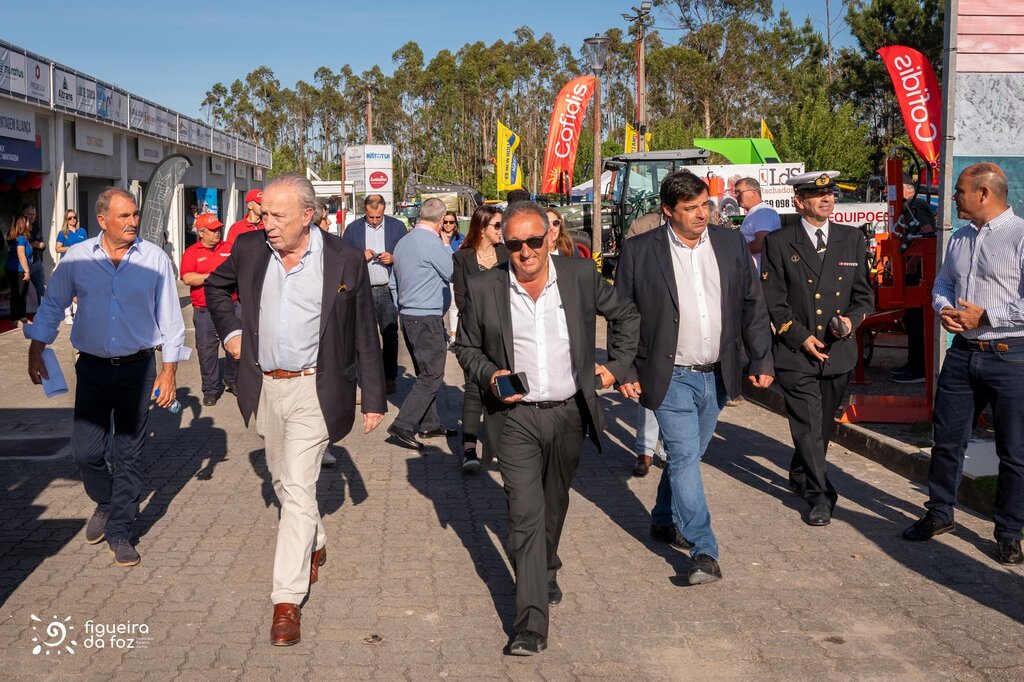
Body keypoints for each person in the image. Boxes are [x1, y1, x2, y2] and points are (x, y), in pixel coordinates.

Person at [204, 173, 386, 645]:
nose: (266, 224)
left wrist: (374, 395)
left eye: (277, 216)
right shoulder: (247, 249)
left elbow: (364, 326)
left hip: (315, 390)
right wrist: (232, 334)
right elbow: (215, 289)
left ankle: (286, 599)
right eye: (264, 214)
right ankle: (316, 541)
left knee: (300, 487)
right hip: (265, 386)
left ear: (309, 216)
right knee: (284, 483)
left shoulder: (343, 258)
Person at [453, 201, 639, 655]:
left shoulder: (578, 278)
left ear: (550, 238)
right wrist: (490, 375)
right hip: (513, 419)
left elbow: (627, 316)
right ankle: (530, 623)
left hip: (569, 413)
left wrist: (614, 369)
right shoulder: (483, 288)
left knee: (554, 503)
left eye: (533, 241)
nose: (524, 252)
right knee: (525, 511)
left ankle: (546, 565)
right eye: (513, 243)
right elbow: (465, 348)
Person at [615, 170, 774, 584]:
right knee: (684, 456)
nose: (702, 214)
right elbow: (622, 318)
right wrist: (625, 370)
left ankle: (664, 518)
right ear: (668, 212)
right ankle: (704, 550)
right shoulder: (639, 252)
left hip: (718, 373)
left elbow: (752, 305)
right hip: (668, 375)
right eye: (691, 209)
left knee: (690, 456)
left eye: (705, 205)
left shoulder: (729, 242)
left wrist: (762, 359)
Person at [25, 187, 189, 567]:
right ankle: (106, 498)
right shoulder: (79, 259)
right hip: (93, 369)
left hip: (138, 369)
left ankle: (120, 530)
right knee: (86, 451)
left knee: (129, 453)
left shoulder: (154, 259)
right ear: (102, 221)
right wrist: (36, 347)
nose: (133, 222)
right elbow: (52, 305)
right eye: (125, 216)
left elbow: (170, 318)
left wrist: (169, 370)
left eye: (135, 215)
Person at [903, 163, 1024, 565]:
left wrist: (985, 317)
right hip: (962, 354)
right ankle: (939, 513)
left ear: (985, 194)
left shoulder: (1021, 236)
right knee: (947, 441)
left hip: (1010, 357)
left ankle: (1008, 532)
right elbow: (943, 284)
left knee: (1014, 451)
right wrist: (946, 308)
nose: (953, 198)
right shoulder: (960, 238)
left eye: (959, 191)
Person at [760, 171, 874, 526]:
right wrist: (800, 336)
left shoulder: (851, 239)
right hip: (797, 351)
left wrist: (852, 321)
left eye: (830, 194)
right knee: (808, 425)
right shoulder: (780, 242)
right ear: (799, 201)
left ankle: (801, 470)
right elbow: (774, 301)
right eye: (816, 194)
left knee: (822, 426)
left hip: (837, 352)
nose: (827, 200)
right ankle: (821, 495)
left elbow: (863, 294)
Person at [386, 197, 456, 449]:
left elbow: (393, 282)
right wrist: (447, 246)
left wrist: (402, 305)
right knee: (432, 375)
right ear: (440, 220)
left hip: (409, 316)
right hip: (426, 317)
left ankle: (429, 422)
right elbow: (452, 272)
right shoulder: (432, 242)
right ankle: (403, 424)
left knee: (424, 373)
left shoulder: (403, 242)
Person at [452, 205, 507, 471]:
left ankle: (499, 446)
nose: (501, 230)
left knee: (502, 387)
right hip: (473, 335)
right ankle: (469, 449)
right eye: (496, 225)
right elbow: (461, 299)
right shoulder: (462, 258)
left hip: (503, 334)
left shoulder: (507, 254)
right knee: (473, 390)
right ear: (482, 228)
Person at [343, 194, 407, 394]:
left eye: (378, 217)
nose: (374, 220)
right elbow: (343, 258)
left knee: (389, 335)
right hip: (363, 291)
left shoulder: (397, 227)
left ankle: (389, 377)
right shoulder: (353, 229)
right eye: (371, 217)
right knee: (362, 337)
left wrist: (395, 258)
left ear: (384, 210)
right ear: (365, 210)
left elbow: (408, 255)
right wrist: (359, 257)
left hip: (388, 290)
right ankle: (365, 379)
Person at [179, 213, 238, 406]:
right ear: (200, 232)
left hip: (231, 307)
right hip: (204, 310)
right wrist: (215, 276)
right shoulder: (191, 252)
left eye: (219, 228)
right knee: (206, 352)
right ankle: (210, 389)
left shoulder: (229, 248)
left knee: (236, 348)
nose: (217, 233)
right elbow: (187, 278)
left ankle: (232, 379)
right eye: (213, 230)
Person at [892, 173, 937, 384]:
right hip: (914, 274)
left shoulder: (915, 206)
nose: (886, 193)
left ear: (904, 188)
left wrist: (912, 264)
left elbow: (926, 234)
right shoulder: (911, 207)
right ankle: (912, 363)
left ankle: (919, 368)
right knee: (911, 321)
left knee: (917, 322)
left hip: (918, 276)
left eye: (890, 188)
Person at [735, 177, 782, 272]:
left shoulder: (762, 212)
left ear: (753, 193)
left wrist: (737, 250)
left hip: (761, 274)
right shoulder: (756, 212)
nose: (736, 196)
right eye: (736, 193)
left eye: (739, 192)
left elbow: (761, 243)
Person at [55, 209, 89, 324]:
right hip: (67, 263)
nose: (72, 220)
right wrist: (71, 247)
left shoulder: (82, 231)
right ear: (66, 220)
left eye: (74, 217)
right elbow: (57, 248)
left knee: (78, 288)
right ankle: (67, 314)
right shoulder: (63, 233)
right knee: (68, 288)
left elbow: (87, 246)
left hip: (80, 263)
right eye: (69, 218)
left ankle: (78, 313)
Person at [5, 215, 33, 324]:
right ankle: (16, 318)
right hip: (19, 270)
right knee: (19, 295)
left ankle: (20, 316)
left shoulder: (15, 237)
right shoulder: (20, 238)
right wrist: (27, 271)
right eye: (26, 221)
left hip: (13, 269)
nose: (28, 223)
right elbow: (21, 255)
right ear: (22, 223)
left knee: (19, 294)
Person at [441, 210, 464, 341]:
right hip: (438, 276)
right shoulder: (436, 237)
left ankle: (453, 335)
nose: (448, 224)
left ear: (455, 223)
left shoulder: (460, 238)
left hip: (454, 275)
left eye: (451, 222)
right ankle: (440, 331)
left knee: (454, 305)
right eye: (445, 222)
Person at [22, 204, 46, 303]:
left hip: (36, 263)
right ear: (24, 214)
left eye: (34, 214)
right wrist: (33, 244)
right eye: (29, 214)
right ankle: (20, 316)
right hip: (23, 265)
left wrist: (42, 246)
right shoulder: (19, 228)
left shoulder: (37, 228)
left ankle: (44, 315)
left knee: (42, 291)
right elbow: (16, 245)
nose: (32, 216)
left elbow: (41, 244)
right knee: (22, 293)